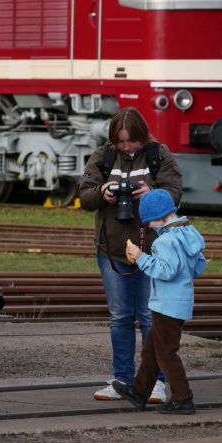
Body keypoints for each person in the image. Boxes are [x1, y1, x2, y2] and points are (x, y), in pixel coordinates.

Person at [79, 107, 182, 403]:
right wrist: (103, 192)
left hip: (154, 250)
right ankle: (122, 380)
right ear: (113, 139)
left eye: (131, 141)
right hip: (112, 252)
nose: (126, 147)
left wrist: (151, 193)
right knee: (120, 317)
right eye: (121, 142)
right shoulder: (103, 156)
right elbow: (84, 196)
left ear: (142, 135)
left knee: (151, 318)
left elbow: (175, 193)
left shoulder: (158, 154)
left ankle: (156, 382)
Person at [113, 188, 206, 414]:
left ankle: (183, 399)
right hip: (181, 301)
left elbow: (165, 271)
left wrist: (141, 257)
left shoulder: (164, 241)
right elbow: (198, 266)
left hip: (166, 304)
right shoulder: (189, 233)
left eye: (151, 222)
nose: (150, 226)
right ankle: (139, 390)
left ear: (160, 216)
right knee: (153, 349)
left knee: (166, 352)